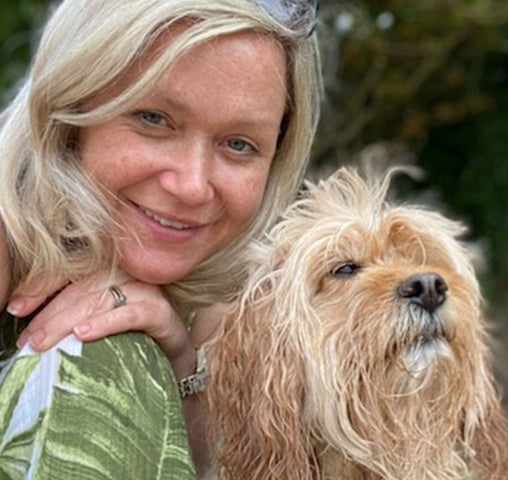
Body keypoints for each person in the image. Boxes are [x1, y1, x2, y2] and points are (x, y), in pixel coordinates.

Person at [0, 0, 321, 477]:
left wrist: (181, 363)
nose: (191, 186)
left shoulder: (231, 308)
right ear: (70, 106)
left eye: (238, 144)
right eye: (153, 118)